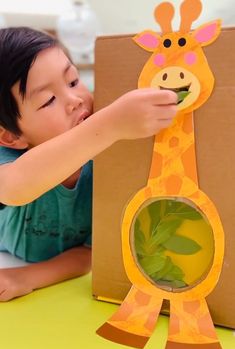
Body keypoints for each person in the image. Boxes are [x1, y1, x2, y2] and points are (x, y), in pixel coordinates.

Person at [0, 27, 177, 301]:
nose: (75, 100)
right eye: (48, 101)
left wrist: (27, 277)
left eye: (72, 81)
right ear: (10, 135)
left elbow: (90, 252)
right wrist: (109, 124)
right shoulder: (9, 158)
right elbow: (13, 188)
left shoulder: (109, 152)